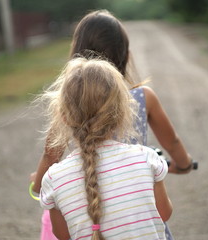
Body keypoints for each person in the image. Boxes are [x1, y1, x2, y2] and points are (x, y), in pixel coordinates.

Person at [31, 9, 193, 240]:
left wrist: (38, 187)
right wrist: (184, 164)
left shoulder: (68, 103)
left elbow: (50, 155)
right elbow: (173, 141)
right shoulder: (142, 98)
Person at [39, 57, 173, 240]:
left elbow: (62, 235)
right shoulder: (147, 159)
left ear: (64, 116)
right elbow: (163, 213)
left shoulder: (54, 179)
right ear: (121, 112)